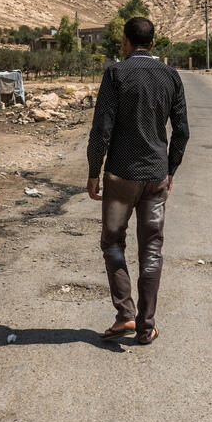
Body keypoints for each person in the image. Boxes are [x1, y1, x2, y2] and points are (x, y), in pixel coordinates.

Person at [86, 17, 189, 345]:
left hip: (120, 177)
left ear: (125, 42)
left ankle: (125, 314)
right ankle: (146, 327)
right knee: (152, 249)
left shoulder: (116, 74)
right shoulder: (171, 76)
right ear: (153, 43)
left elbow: (101, 128)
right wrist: (170, 169)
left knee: (113, 242)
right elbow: (182, 131)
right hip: (156, 177)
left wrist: (93, 171)